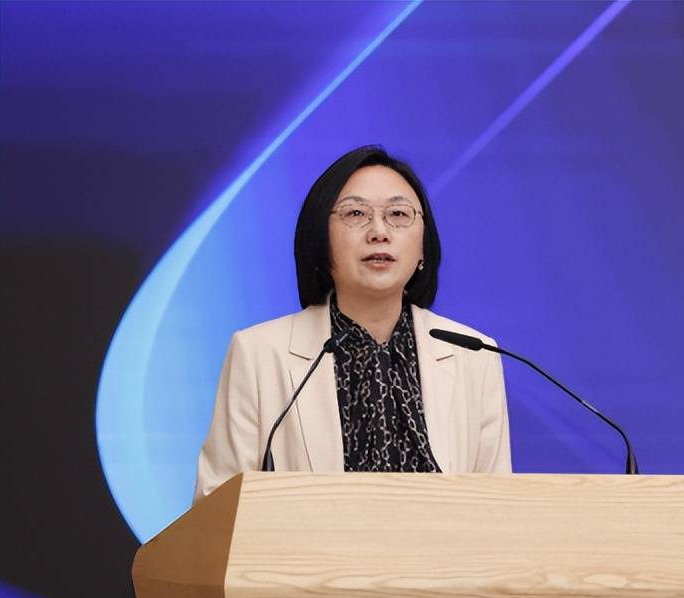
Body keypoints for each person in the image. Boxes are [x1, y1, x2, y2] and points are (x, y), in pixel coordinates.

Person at [194, 145, 512, 500]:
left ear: (423, 247)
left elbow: (498, 506)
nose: (379, 231)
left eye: (398, 214)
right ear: (321, 240)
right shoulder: (259, 354)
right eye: (356, 213)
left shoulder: (474, 354)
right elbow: (216, 504)